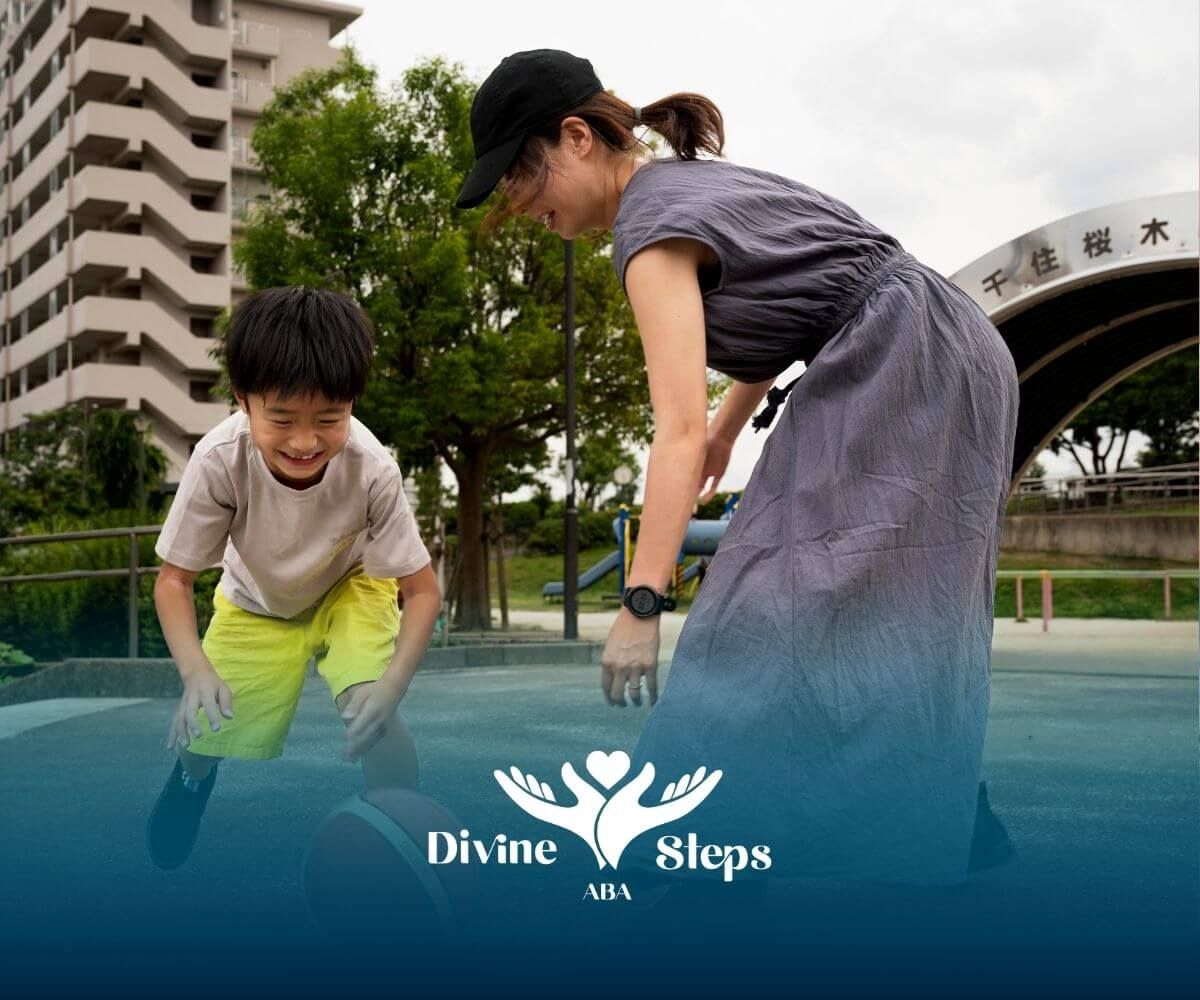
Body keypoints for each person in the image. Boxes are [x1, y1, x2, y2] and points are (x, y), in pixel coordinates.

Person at [456, 50, 1017, 888]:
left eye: (518, 175)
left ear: (575, 138)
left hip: (899, 356)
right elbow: (808, 296)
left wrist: (641, 604)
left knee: (765, 606)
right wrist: (728, 430)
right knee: (902, 603)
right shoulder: (682, 185)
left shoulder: (648, 231)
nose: (517, 202)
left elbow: (673, 431)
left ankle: (684, 845)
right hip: (948, 344)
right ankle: (946, 817)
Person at [146, 286, 440, 870]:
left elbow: (422, 591)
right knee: (206, 733)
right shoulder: (219, 459)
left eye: (329, 419)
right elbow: (173, 581)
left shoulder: (372, 467)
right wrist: (195, 672)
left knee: (371, 708)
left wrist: (390, 690)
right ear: (243, 401)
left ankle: (404, 834)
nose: (305, 442)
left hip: (351, 584)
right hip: (256, 599)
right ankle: (190, 779)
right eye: (281, 419)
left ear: (351, 403)